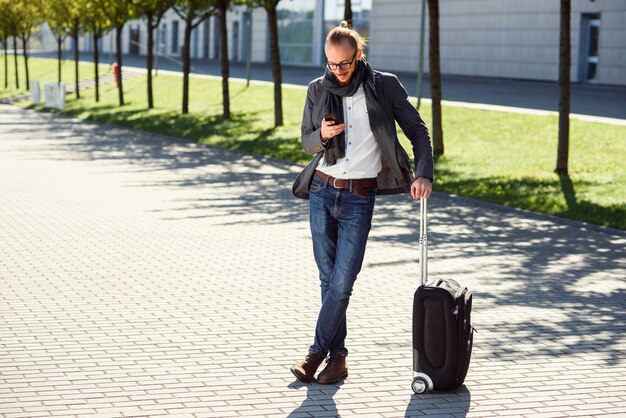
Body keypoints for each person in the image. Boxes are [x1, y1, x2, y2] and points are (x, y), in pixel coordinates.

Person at [290, 21, 434, 385]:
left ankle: (313, 355)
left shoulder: (384, 86)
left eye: (345, 64)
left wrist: (423, 173)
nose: (337, 73)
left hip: (358, 197)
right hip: (322, 190)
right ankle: (337, 361)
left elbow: (418, 130)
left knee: (341, 284)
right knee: (327, 281)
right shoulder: (317, 89)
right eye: (331, 65)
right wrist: (321, 135)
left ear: (359, 56)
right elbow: (305, 141)